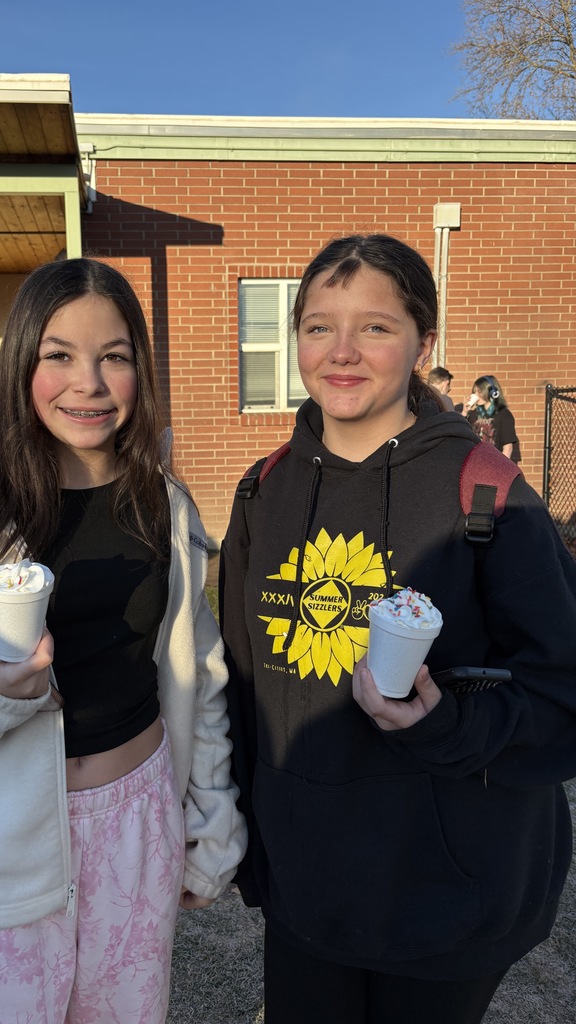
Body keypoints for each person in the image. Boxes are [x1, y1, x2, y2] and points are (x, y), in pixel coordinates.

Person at [0, 258, 246, 1024]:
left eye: (114, 356)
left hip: (139, 824)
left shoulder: (165, 503)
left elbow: (202, 679)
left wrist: (210, 821)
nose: (87, 382)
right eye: (58, 354)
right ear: (22, 361)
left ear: (140, 370)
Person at [219, 233, 576, 1024]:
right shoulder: (262, 492)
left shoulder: (488, 497)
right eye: (318, 326)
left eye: (375, 327)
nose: (342, 352)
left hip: (448, 899)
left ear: (425, 341)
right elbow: (241, 686)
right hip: (306, 893)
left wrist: (444, 723)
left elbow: (563, 695)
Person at [462, 374, 520, 461]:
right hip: (475, 464)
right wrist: (465, 412)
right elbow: (461, 432)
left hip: (494, 464)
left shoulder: (504, 414)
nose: (476, 395)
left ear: (492, 393)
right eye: (474, 392)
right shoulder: (474, 413)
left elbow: (508, 447)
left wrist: (501, 468)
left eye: (479, 392)